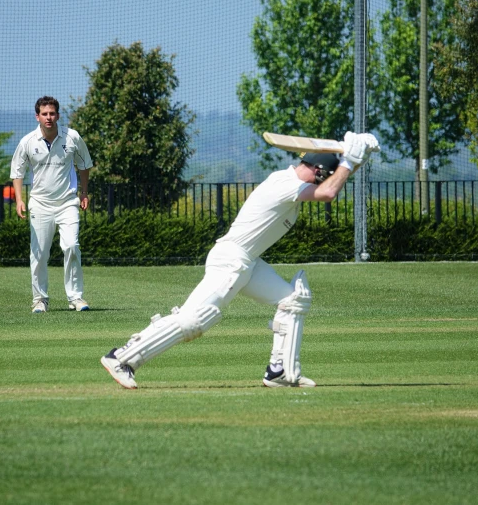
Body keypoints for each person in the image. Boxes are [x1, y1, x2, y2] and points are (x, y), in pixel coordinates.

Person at [101, 131, 380, 389]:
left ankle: (280, 372)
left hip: (248, 262)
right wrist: (350, 161)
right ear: (320, 172)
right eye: (325, 174)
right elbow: (329, 192)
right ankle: (122, 357)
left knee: (293, 299)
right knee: (194, 319)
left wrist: (355, 161)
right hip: (231, 258)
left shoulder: (292, 183)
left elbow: (331, 183)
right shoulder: (285, 184)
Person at [10, 96, 93, 313]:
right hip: (40, 204)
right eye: (44, 114)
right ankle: (40, 299)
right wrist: (19, 199)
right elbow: (17, 172)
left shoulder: (72, 137)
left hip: (67, 202)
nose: (49, 117)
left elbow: (84, 164)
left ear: (58, 115)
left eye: (52, 113)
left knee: (72, 246)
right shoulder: (28, 141)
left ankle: (76, 298)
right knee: (39, 253)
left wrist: (84, 192)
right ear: (37, 116)